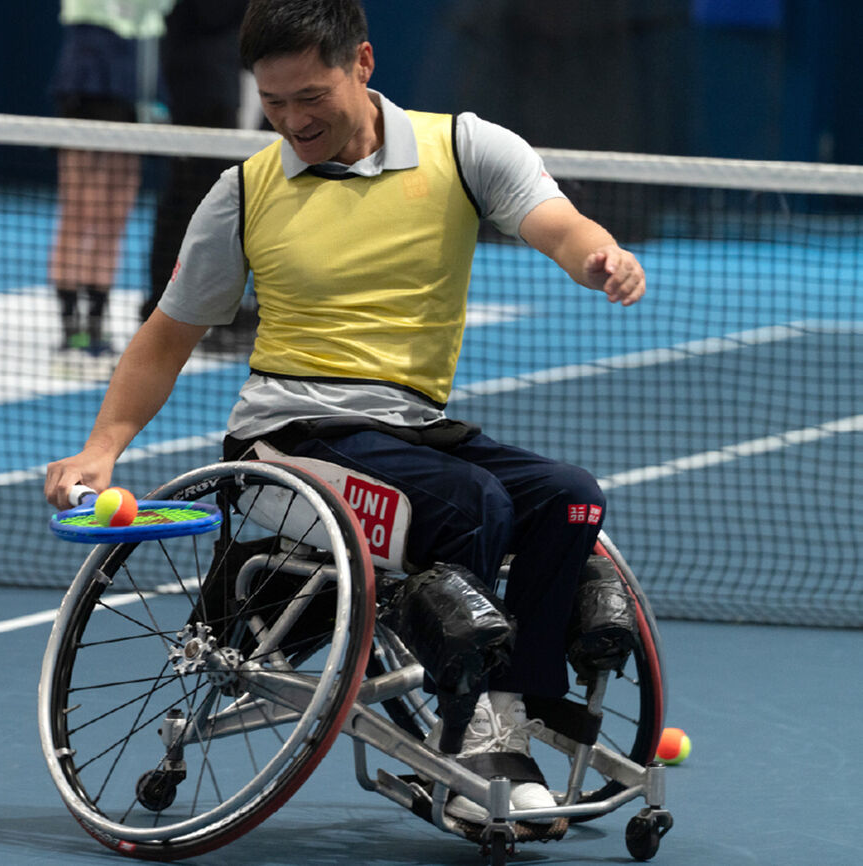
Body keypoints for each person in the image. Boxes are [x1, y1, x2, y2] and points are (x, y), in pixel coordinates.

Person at [44, 0, 645, 826]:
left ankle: (514, 708)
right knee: (471, 503)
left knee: (569, 496)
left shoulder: (464, 149)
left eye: (310, 97)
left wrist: (598, 258)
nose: (293, 121)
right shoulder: (244, 192)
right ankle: (468, 737)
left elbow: (560, 225)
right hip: (286, 440)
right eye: (273, 102)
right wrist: (101, 446)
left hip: (412, 430)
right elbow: (166, 335)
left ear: (362, 63)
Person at [46, 0, 175, 377]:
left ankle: (96, 325)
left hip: (140, 67)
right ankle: (71, 332)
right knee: (78, 211)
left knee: (114, 216)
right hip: (92, 61)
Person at [140, 0, 255, 355]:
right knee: (196, 200)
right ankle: (166, 303)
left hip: (215, 84)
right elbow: (211, 14)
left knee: (204, 200)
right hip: (202, 88)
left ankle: (206, 308)